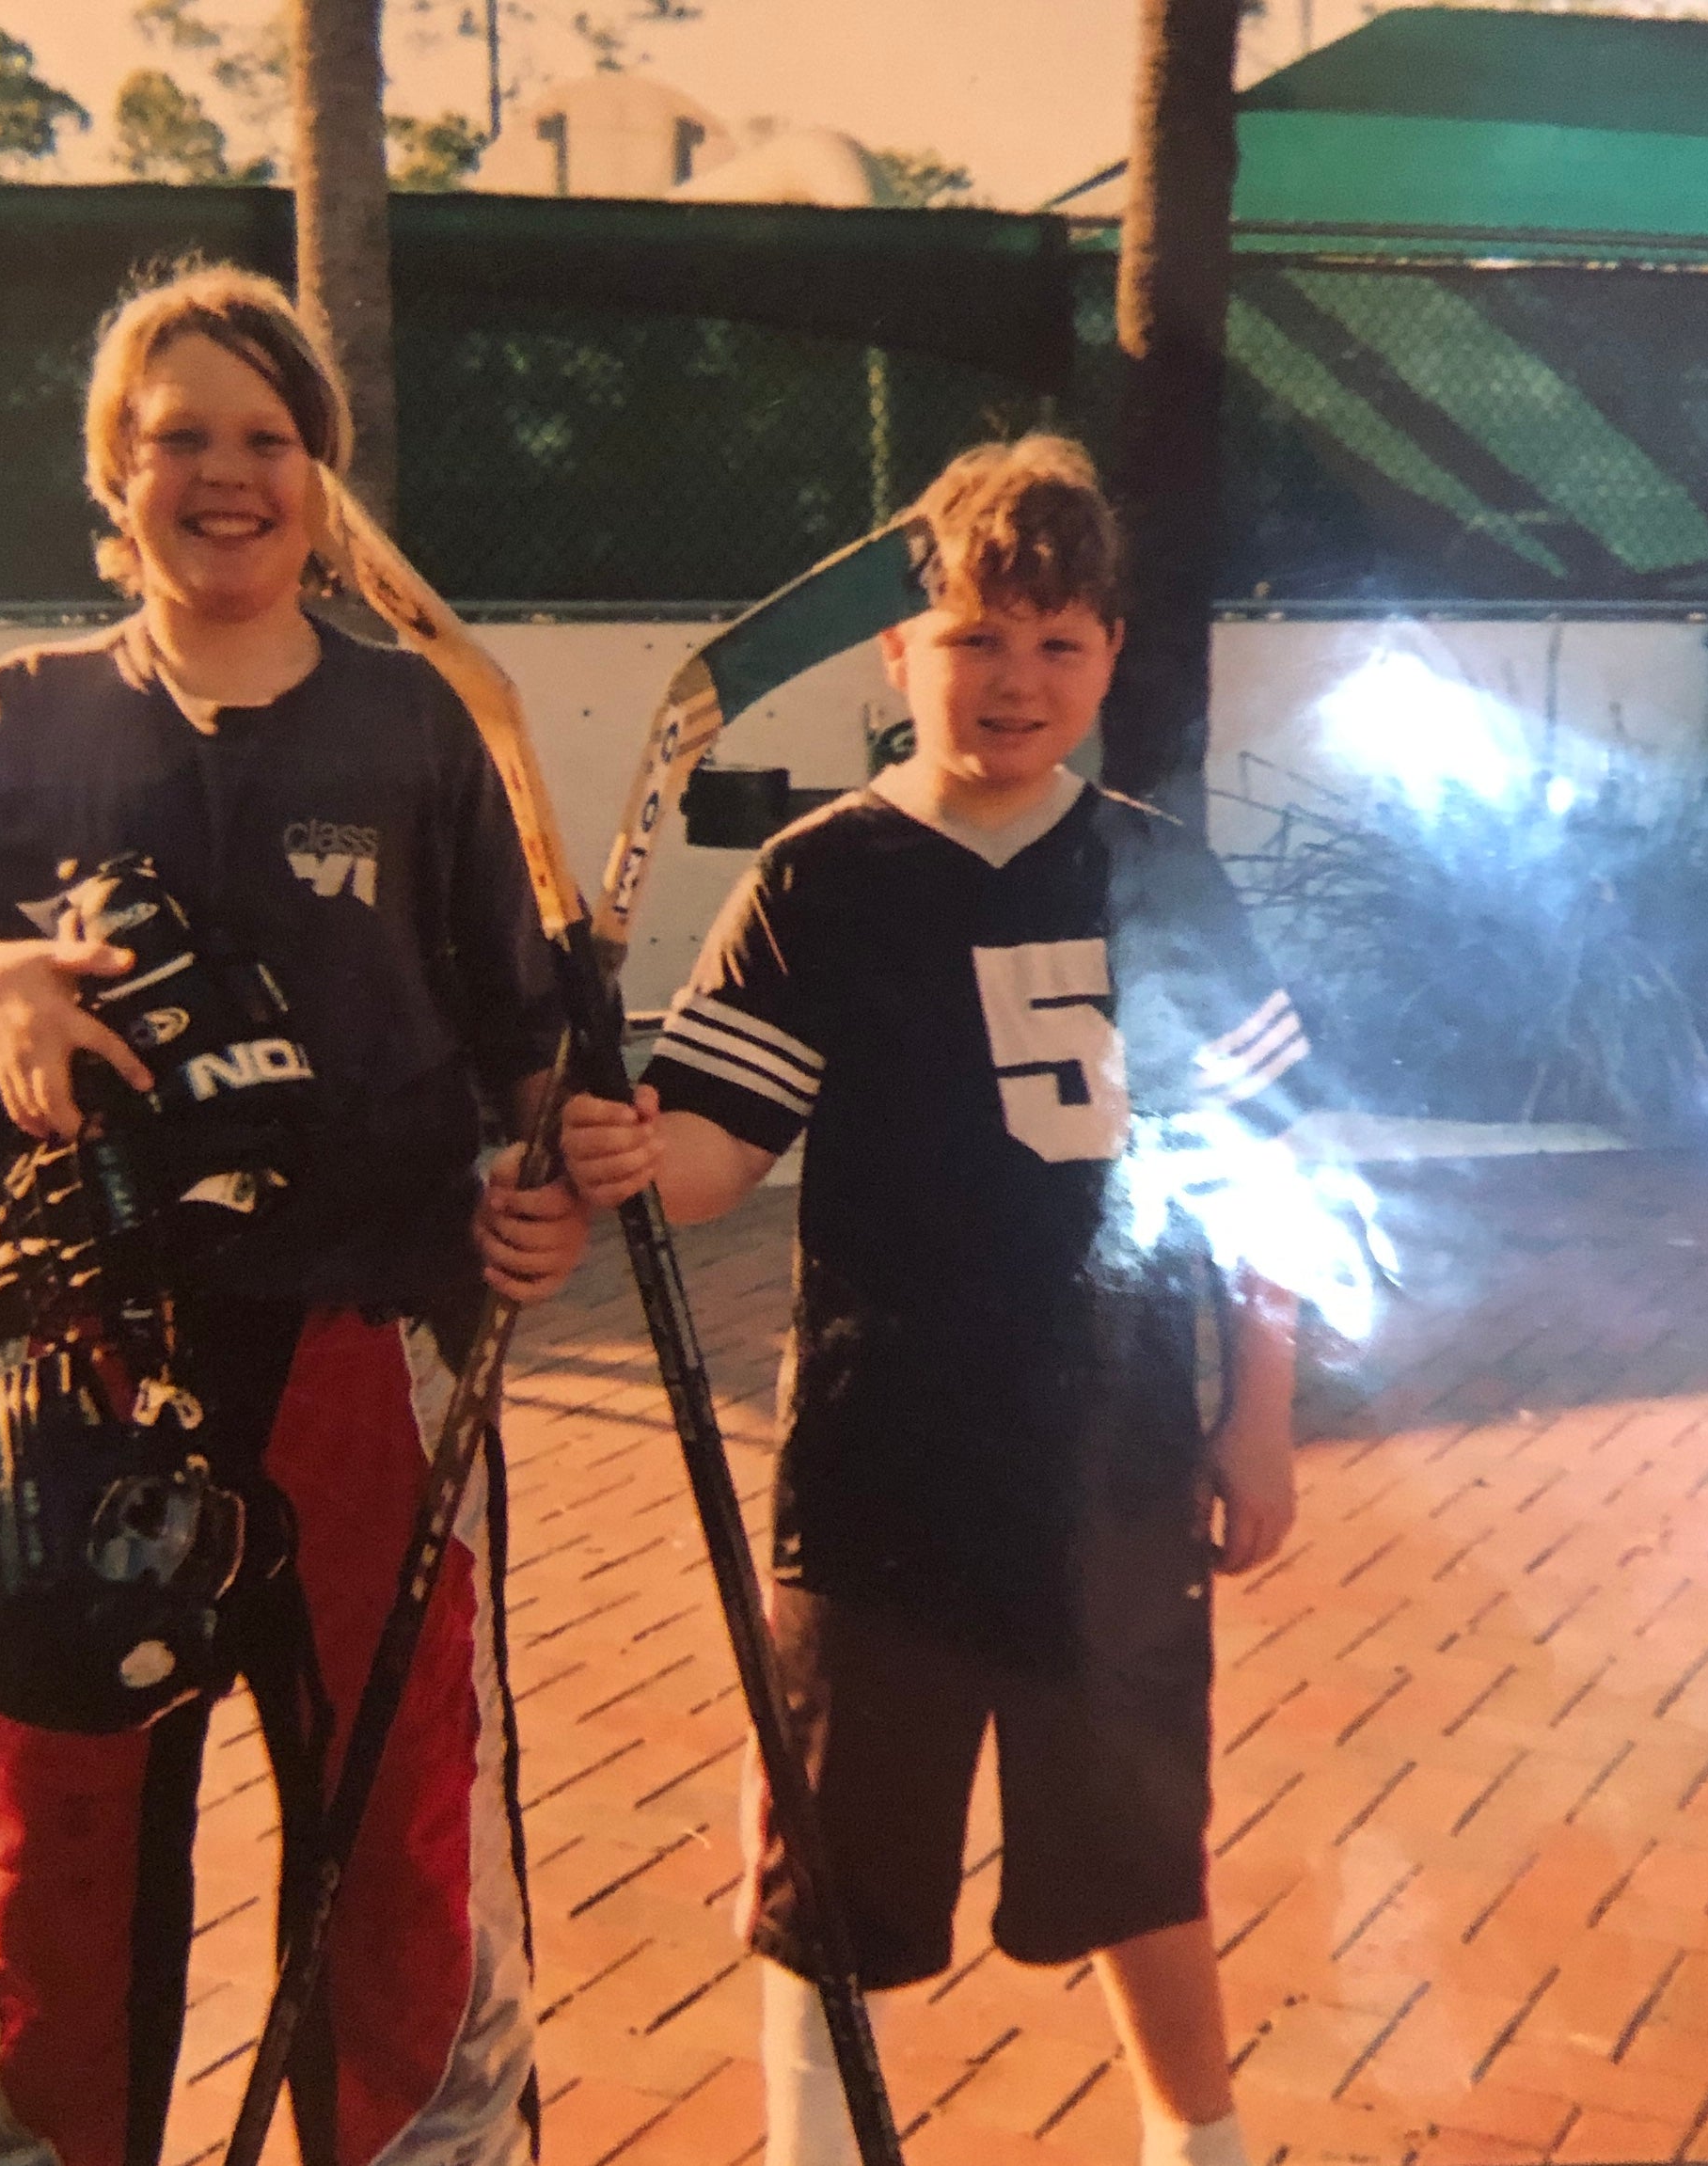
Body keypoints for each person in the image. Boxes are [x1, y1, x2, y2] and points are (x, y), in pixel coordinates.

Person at [0, 262, 589, 2166]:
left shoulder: (413, 725)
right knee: (62, 1830)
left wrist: (548, 1186)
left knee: (389, 1831)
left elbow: (524, 1046)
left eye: (264, 441)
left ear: (321, 477)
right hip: (90, 1380)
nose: (224, 478)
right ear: (111, 478)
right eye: (177, 441)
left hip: (364, 1344)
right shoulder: (31, 712)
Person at [561, 435, 1312, 2166]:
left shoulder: (1157, 872)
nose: (1015, 679)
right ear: (900, 656)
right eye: (976, 638)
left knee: (1139, 1857)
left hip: (1109, 1463)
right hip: (875, 1462)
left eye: (1057, 642)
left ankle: (1198, 2146)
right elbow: (714, 1156)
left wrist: (1255, 1407)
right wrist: (619, 1141)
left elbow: (1271, 1166)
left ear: (1110, 656)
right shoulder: (821, 879)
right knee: (828, 1874)